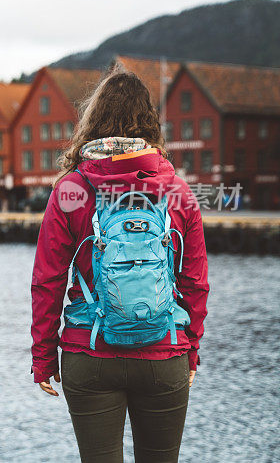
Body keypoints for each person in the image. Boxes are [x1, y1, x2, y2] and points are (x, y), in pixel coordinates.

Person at [30, 70, 209, 462]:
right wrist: (191, 349)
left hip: (89, 351)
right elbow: (195, 283)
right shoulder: (176, 192)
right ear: (150, 123)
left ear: (92, 121)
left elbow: (48, 281)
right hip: (164, 353)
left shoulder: (72, 190)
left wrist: (43, 356)